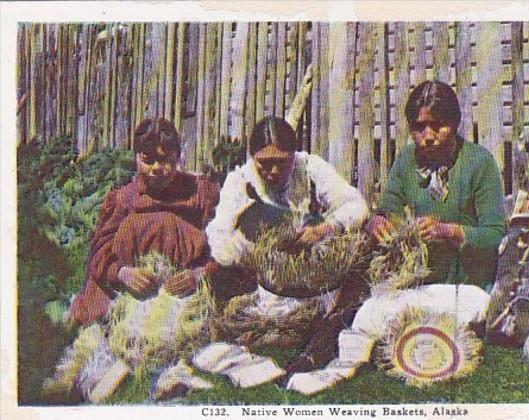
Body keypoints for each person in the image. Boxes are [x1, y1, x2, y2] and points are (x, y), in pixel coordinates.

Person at [205, 116, 370, 374]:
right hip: (262, 280)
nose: (273, 172)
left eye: (282, 163)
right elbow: (218, 238)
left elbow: (356, 206)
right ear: (252, 157)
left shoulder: (310, 168)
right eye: (264, 164)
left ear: (294, 155)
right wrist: (254, 249)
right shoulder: (240, 182)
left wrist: (324, 229)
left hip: (313, 278)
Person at [69, 117, 221, 324]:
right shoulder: (125, 199)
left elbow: (225, 247)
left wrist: (199, 275)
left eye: (165, 159)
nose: (156, 167)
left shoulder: (200, 194)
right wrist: (122, 273)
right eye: (147, 160)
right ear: (136, 159)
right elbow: (100, 250)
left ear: (177, 157)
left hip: (183, 292)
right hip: (129, 293)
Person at [368, 80, 507, 289]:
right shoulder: (407, 160)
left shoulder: (479, 162)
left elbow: (496, 236)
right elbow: (388, 208)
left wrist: (450, 232)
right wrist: (378, 223)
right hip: (416, 283)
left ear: (454, 123)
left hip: (467, 286)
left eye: (437, 125)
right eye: (419, 127)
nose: (428, 136)